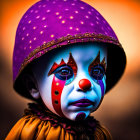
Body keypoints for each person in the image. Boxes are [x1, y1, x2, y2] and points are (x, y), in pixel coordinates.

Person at [6, 0, 126, 139]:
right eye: (64, 72)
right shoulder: (32, 133)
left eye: (97, 72)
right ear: (33, 86)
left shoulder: (100, 134)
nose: (85, 84)